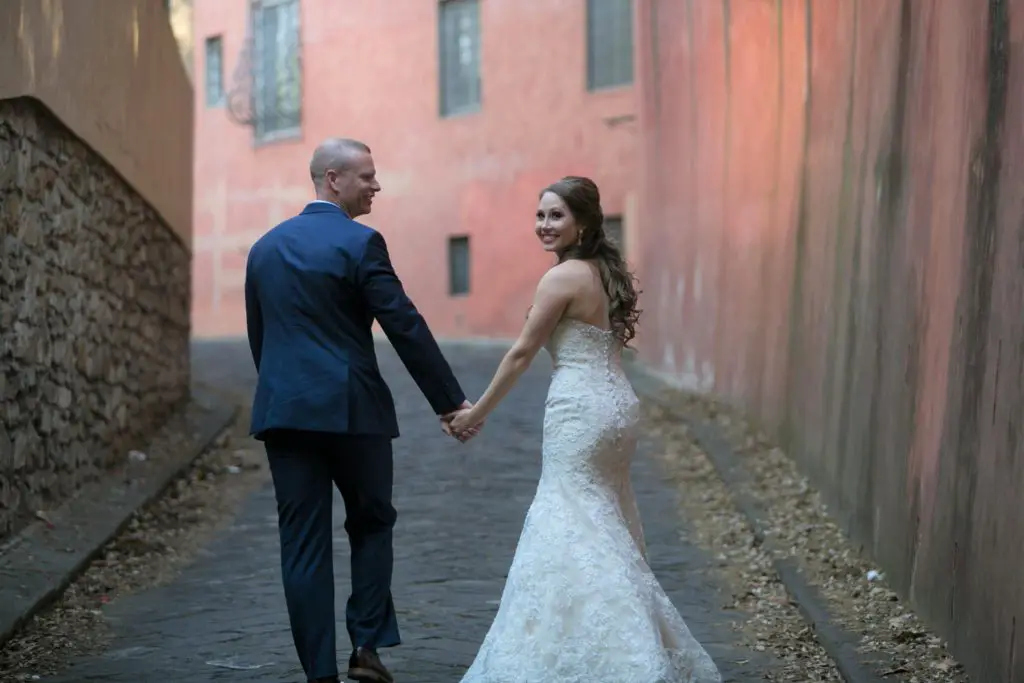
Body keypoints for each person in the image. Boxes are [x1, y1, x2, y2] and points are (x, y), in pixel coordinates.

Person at [448, 177, 722, 682]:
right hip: (617, 405)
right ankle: (630, 643)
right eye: (540, 215)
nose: (544, 225)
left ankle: (614, 657)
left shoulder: (561, 278)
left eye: (556, 216)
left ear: (584, 223)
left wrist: (476, 412)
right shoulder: (603, 272)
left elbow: (522, 353)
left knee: (569, 519)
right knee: (603, 519)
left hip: (581, 411)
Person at [244, 138, 477, 683]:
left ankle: (319, 674)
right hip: (354, 413)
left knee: (302, 544)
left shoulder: (263, 249)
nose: (376, 186)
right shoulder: (361, 243)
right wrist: (449, 401)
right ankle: (366, 646)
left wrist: (283, 392)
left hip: (285, 414)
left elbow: (264, 341)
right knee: (372, 523)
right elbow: (404, 324)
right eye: (367, 177)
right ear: (333, 179)